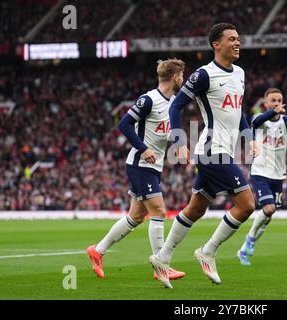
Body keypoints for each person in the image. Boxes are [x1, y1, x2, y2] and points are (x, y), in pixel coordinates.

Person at [149, 23, 260, 288]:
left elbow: (238, 112)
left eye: (238, 38)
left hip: (224, 149)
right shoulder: (204, 75)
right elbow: (176, 106)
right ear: (216, 44)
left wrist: (250, 138)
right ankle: (208, 252)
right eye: (231, 39)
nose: (238, 43)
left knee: (196, 208)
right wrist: (179, 140)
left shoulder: (240, 73)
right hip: (212, 150)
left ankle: (162, 257)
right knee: (246, 206)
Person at [86, 59, 186, 280]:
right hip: (140, 165)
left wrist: (178, 146)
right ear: (176, 77)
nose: (184, 79)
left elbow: (161, 132)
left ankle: (97, 250)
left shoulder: (173, 102)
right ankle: (162, 266)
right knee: (159, 211)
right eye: (182, 76)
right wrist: (142, 148)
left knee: (136, 216)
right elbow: (124, 124)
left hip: (153, 166)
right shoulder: (149, 99)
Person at [237, 88, 287, 265]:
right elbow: (257, 121)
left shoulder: (284, 120)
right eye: (273, 100)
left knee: (269, 215)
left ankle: (246, 247)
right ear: (266, 103)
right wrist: (272, 112)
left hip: (278, 174)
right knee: (269, 209)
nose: (277, 103)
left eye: (279, 100)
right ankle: (250, 240)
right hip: (260, 172)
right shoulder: (258, 120)